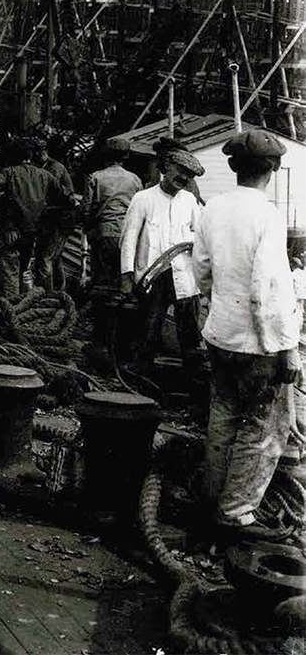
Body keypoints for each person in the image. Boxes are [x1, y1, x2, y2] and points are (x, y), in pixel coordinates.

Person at [191, 128, 302, 541]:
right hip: (259, 344)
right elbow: (268, 288)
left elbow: (201, 268)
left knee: (222, 417)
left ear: (234, 167)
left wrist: (221, 306)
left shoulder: (213, 209)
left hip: (220, 334)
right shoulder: (268, 216)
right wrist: (287, 349)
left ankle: (211, 499)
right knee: (265, 427)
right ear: (273, 169)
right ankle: (236, 513)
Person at [120, 143, 204, 368]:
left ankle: (191, 384)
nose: (184, 178)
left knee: (190, 333)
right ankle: (142, 378)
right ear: (166, 167)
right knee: (148, 330)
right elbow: (129, 239)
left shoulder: (189, 201)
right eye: (180, 171)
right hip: (152, 276)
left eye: (189, 175)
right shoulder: (143, 198)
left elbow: (202, 235)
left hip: (184, 277)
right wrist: (127, 276)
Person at [0, 138, 75, 299]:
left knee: (10, 267)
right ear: (32, 155)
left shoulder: (9, 172)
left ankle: (12, 304)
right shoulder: (45, 175)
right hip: (33, 231)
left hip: (11, 230)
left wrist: (1, 208)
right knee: (23, 266)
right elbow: (67, 197)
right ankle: (24, 302)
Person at [83, 136, 143, 287]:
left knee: (101, 279)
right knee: (124, 277)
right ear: (126, 156)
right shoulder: (135, 179)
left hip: (103, 233)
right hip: (128, 234)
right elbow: (140, 209)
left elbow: (86, 209)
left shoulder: (96, 177)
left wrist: (88, 229)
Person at [30, 132, 79, 291]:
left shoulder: (55, 169)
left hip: (60, 220)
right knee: (54, 258)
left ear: (41, 152)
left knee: (45, 258)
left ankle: (48, 296)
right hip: (51, 220)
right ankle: (59, 290)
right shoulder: (41, 167)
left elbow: (53, 196)